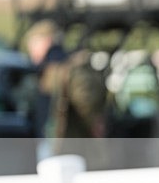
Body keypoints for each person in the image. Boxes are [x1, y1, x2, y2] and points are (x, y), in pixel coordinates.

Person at [25, 20, 109, 161]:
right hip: (58, 141)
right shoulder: (52, 66)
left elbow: (85, 100)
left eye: (33, 44)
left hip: (63, 142)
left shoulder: (58, 66)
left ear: (47, 41)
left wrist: (92, 123)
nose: (30, 50)